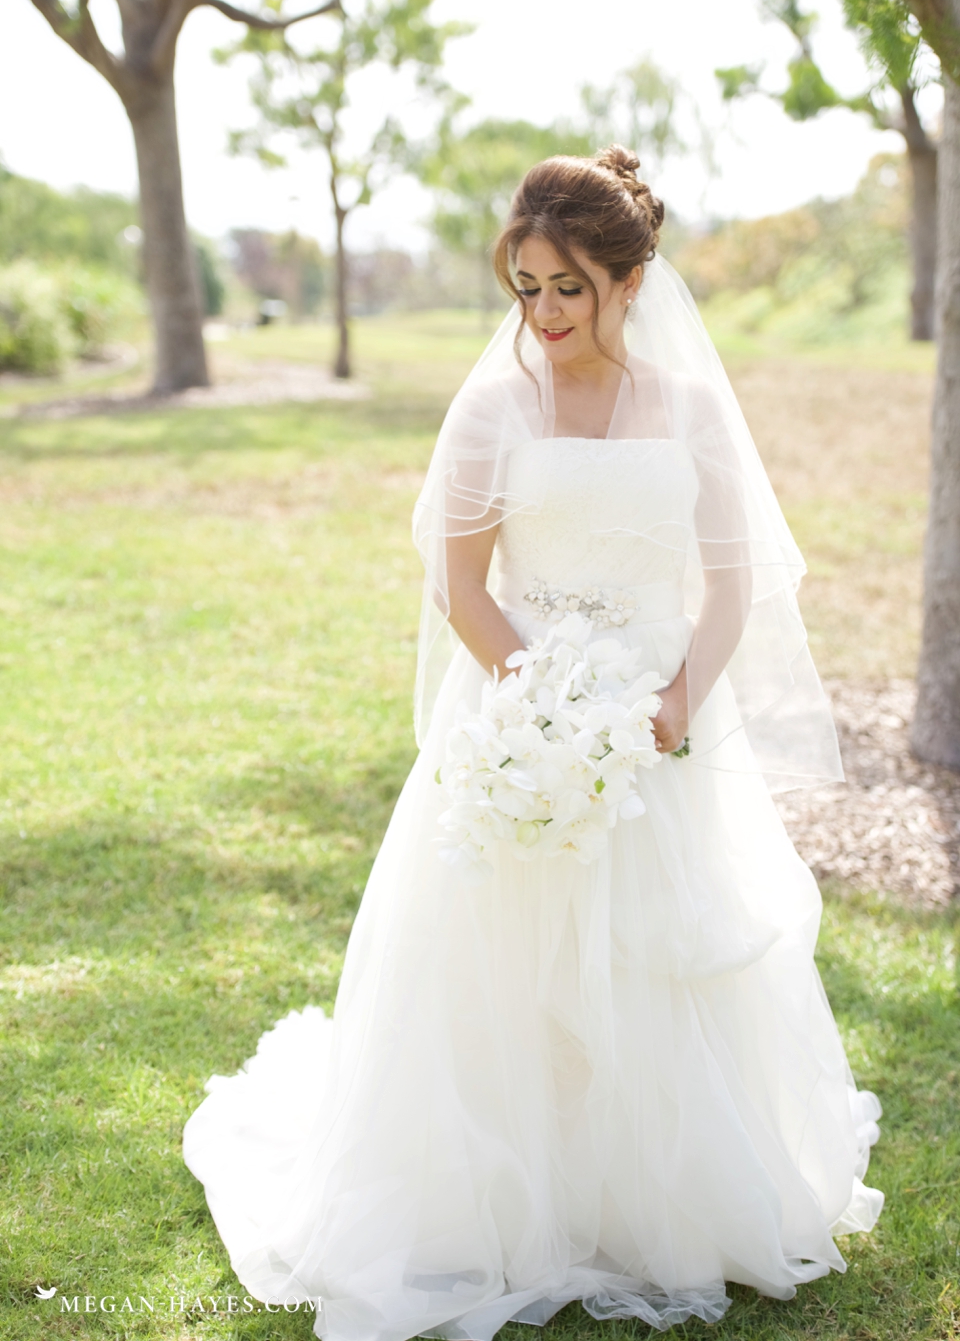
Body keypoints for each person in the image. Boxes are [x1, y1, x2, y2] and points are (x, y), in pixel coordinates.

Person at [183, 146, 883, 1341]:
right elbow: (460, 584)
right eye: (527, 288)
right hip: (518, 712)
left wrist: (673, 701)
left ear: (631, 280)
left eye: (570, 287)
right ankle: (512, 1188)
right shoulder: (494, 406)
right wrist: (543, 705)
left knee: (656, 950)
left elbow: (729, 586)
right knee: (508, 956)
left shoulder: (692, 409)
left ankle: (648, 1198)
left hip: (660, 718)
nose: (546, 313)